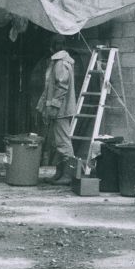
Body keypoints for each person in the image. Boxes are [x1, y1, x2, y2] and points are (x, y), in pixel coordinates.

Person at [36, 35, 77, 185]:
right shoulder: (60, 61)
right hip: (59, 109)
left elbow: (62, 86)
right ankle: (60, 173)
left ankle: (68, 175)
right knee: (58, 142)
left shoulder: (60, 63)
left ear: (52, 47)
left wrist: (53, 107)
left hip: (61, 110)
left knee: (63, 142)